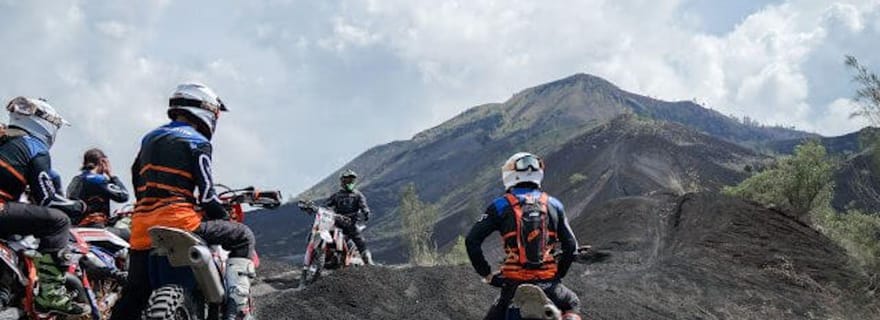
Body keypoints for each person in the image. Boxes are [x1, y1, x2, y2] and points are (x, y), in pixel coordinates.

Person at [110, 83, 257, 320]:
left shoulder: (150, 138)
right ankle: (237, 311)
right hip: (182, 222)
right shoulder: (198, 141)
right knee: (243, 235)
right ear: (206, 109)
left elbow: (136, 177)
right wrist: (221, 214)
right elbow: (208, 194)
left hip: (142, 227)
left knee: (134, 296)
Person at [465, 152, 581, 320]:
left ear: (510, 174)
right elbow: (571, 247)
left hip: (513, 286)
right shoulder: (554, 205)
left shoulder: (500, 205)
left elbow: (472, 241)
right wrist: (557, 276)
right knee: (572, 303)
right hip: (549, 285)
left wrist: (488, 275)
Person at [0, 97, 89, 315]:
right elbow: (48, 199)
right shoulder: (34, 146)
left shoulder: (4, 138)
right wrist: (79, 207)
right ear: (45, 123)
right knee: (58, 221)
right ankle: (51, 294)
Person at [67, 148, 130, 239]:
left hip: (76, 228)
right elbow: (123, 196)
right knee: (131, 234)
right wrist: (111, 175)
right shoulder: (97, 179)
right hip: (95, 227)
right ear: (102, 162)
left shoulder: (76, 180)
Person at [324, 169, 373, 265]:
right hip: (337, 224)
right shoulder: (336, 196)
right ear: (342, 181)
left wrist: (366, 212)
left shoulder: (358, 195)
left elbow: (364, 206)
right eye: (347, 180)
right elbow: (326, 204)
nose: (350, 182)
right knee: (327, 235)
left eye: (352, 180)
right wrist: (326, 210)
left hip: (352, 224)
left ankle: (368, 262)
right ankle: (325, 257)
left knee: (360, 241)